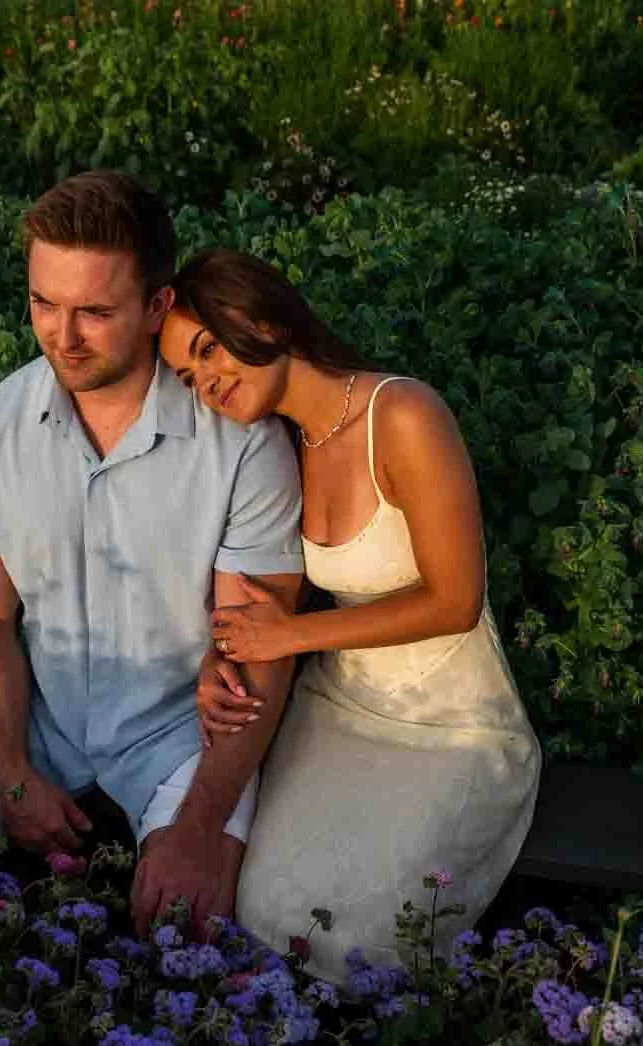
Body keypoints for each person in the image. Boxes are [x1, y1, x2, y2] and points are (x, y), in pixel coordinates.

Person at [0, 173, 307, 941]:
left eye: (95, 312)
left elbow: (260, 652)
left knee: (184, 931)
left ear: (157, 306)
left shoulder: (241, 442)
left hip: (185, 730)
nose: (62, 336)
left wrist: (201, 824)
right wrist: (10, 775)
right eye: (45, 303)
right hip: (36, 710)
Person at [158, 248, 542, 983]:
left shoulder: (402, 414)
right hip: (340, 710)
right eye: (187, 376)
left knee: (359, 937)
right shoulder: (278, 446)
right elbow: (268, 602)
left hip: (454, 724)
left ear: (257, 311)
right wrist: (225, 651)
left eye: (207, 349)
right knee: (261, 905)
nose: (206, 381)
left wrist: (289, 635)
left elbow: (456, 600)